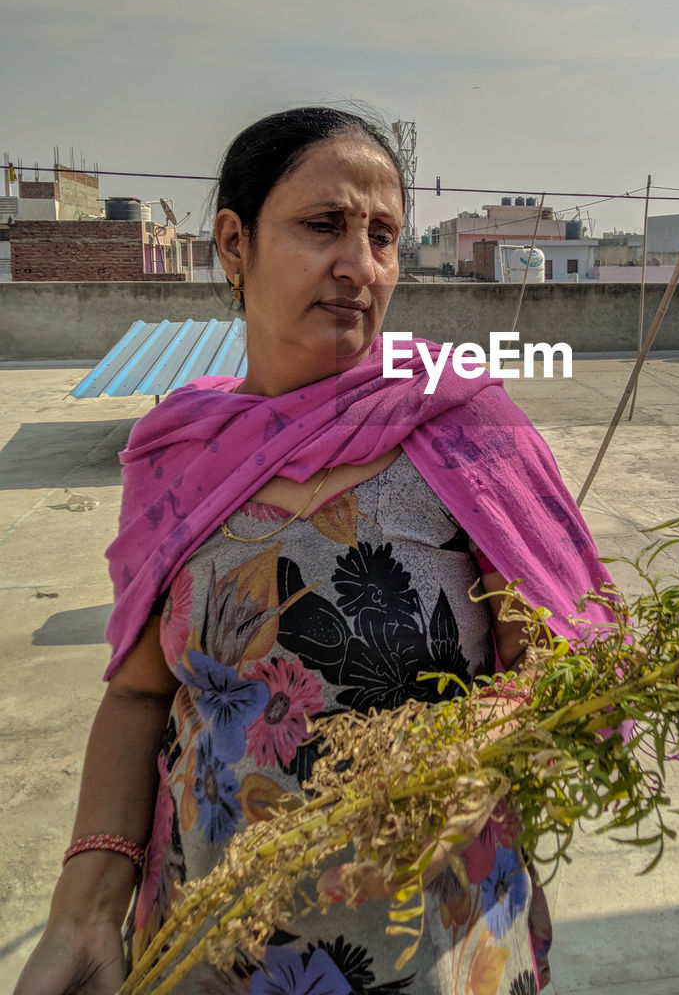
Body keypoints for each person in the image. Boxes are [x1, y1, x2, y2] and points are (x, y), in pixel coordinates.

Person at [15, 106, 615, 995]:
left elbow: (575, 666)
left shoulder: (464, 436)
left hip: (433, 946)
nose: (359, 265)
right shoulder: (182, 458)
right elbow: (142, 690)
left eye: (383, 236)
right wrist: (86, 904)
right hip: (208, 945)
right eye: (323, 225)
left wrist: (473, 741)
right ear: (232, 244)